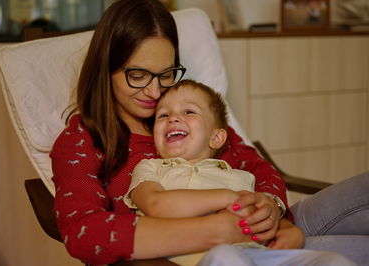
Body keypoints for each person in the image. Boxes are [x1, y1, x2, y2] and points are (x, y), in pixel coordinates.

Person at [50, 0, 369, 265]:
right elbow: (84, 231)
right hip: (203, 252)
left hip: (264, 233)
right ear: (106, 67)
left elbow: (257, 167)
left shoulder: (185, 110)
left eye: (166, 74)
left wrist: (272, 208)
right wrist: (216, 230)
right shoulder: (82, 140)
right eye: (137, 75)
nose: (154, 90)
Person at [124, 79, 356, 265]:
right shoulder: (150, 168)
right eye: (163, 115)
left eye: (189, 112)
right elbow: (156, 205)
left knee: (332, 260)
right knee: (227, 257)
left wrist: (287, 229)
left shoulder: (239, 177)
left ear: (216, 137)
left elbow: (260, 220)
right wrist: (227, 197)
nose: (173, 117)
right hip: (199, 258)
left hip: (256, 254)